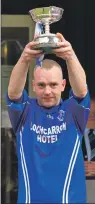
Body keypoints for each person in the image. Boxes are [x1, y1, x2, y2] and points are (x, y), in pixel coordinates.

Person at [6, 33, 90, 203]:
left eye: (53, 84)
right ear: (33, 86)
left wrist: (70, 56)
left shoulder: (73, 113)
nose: (47, 91)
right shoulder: (25, 112)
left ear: (63, 85)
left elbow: (81, 91)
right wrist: (24, 58)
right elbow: (13, 93)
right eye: (41, 85)